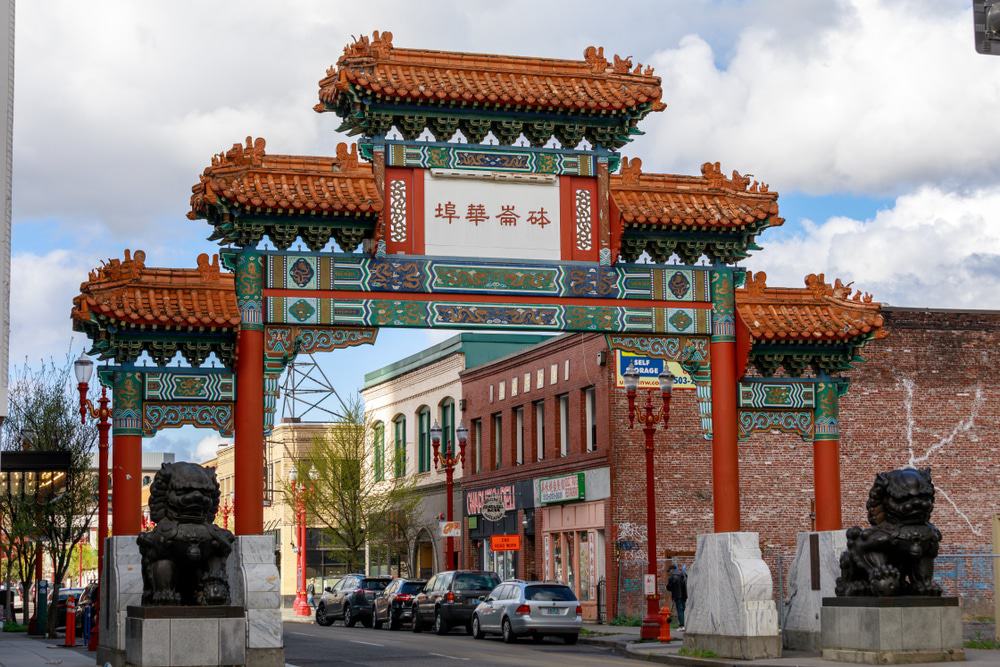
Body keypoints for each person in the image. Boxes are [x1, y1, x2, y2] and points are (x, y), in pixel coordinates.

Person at [666, 564, 687, 631]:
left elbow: (669, 587)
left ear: (672, 570)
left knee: (680, 610)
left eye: (669, 571)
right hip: (684, 595)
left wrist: (667, 587)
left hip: (677, 596)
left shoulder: (672, 577)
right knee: (683, 610)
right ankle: (685, 624)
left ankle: (682, 626)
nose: (669, 573)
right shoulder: (683, 574)